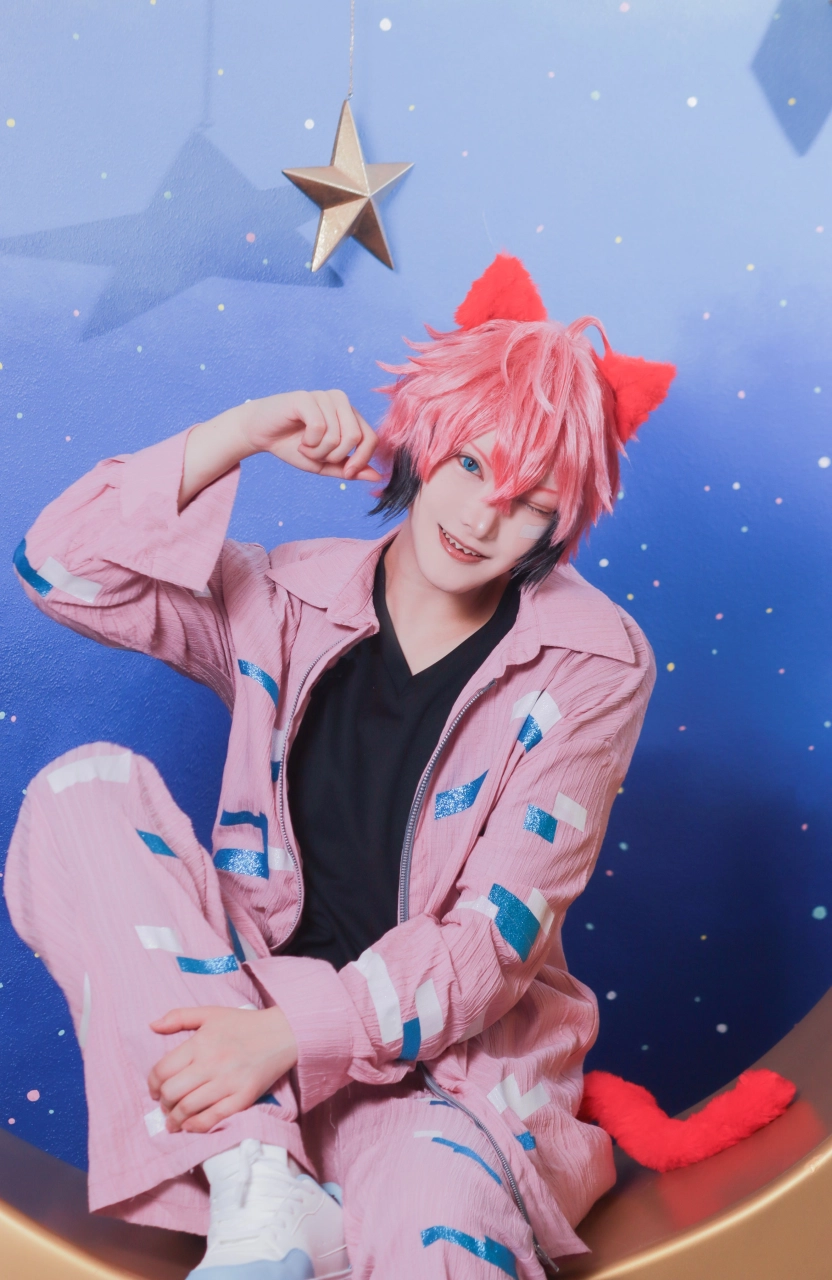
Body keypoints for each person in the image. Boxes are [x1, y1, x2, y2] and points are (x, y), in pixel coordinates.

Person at [5, 255, 674, 1279]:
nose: (481, 518)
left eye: (530, 502)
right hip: (232, 1041)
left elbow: (494, 940)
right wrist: (239, 433)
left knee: (435, 1230)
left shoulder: (591, 659)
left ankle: (293, 1191)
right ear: (424, 439)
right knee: (78, 790)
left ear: (561, 522)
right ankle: (260, 1181)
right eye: (469, 465)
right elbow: (62, 569)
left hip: (440, 1078)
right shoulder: (285, 597)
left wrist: (294, 1033)